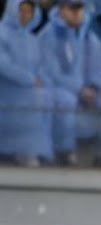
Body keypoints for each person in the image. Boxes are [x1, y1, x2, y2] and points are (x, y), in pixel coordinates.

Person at [38, 0, 101, 167]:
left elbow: (99, 69)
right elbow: (51, 73)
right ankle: (65, 152)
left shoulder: (89, 37)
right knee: (66, 100)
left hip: (88, 90)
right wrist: (79, 89)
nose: (78, 12)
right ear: (61, 9)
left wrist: (94, 86)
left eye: (80, 8)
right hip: (58, 89)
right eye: (73, 8)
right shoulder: (48, 36)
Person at [0, 0, 53, 167]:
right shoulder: (2, 33)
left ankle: (34, 152)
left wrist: (42, 81)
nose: (25, 15)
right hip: (7, 90)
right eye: (21, 10)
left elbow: (41, 66)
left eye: (29, 11)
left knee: (46, 98)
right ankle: (21, 152)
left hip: (30, 90)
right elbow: (4, 65)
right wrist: (29, 80)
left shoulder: (31, 39)